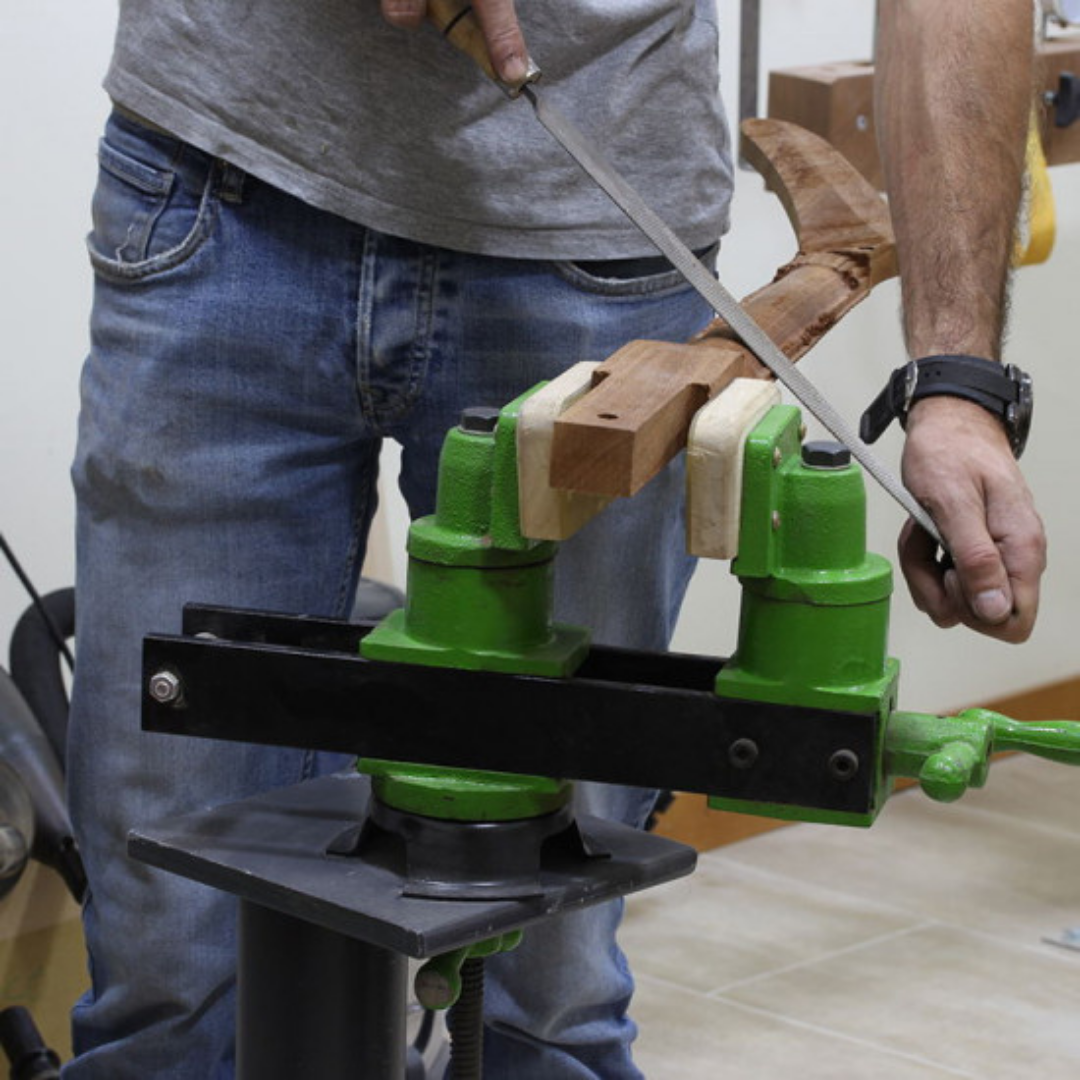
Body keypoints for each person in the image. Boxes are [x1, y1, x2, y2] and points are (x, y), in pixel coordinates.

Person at [65, 1, 1046, 1077]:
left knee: (552, 985)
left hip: (595, 257)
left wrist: (958, 380)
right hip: (224, 181)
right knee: (169, 977)